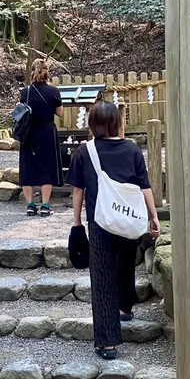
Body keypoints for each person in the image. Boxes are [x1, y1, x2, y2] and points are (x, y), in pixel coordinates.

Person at [66, 100, 160, 360]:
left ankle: (107, 342)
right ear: (117, 122)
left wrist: (76, 222)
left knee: (102, 278)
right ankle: (126, 307)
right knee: (126, 263)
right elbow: (144, 185)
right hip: (129, 219)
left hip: (100, 221)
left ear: (93, 124)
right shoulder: (131, 149)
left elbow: (77, 191)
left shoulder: (85, 152)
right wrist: (153, 216)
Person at [18, 59, 64, 216]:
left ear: (32, 72)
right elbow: (60, 112)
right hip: (47, 132)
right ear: (47, 72)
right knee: (47, 168)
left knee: (28, 168)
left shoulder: (25, 92)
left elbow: (21, 111)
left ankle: (30, 205)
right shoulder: (54, 91)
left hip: (29, 132)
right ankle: (45, 205)